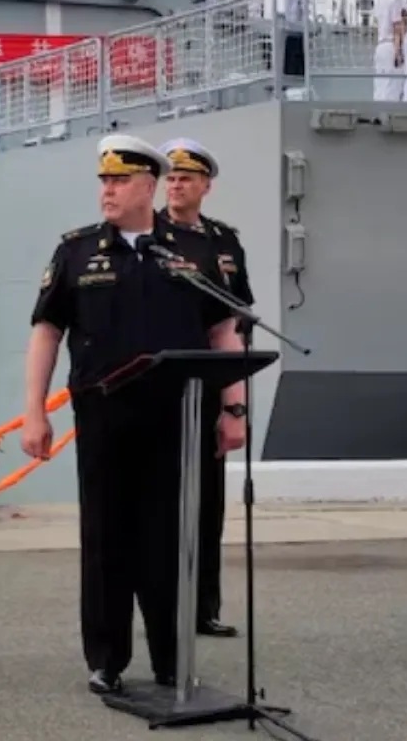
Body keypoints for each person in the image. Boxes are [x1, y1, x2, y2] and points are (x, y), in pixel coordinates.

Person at [22, 134, 248, 695]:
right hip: (105, 414)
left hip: (176, 415)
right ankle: (107, 659)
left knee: (171, 537)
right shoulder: (76, 251)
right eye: (103, 181)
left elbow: (224, 329)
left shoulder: (190, 251)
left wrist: (234, 409)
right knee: (106, 537)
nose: (108, 190)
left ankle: (172, 659)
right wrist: (34, 412)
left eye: (119, 181)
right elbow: (47, 330)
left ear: (148, 187)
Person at [159, 137, 253, 639]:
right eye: (170, 178)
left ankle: (203, 608)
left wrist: (234, 407)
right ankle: (162, 609)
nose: (176, 185)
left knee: (207, 504)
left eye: (186, 178)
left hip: (207, 390)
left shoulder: (224, 242)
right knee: (158, 507)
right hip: (158, 391)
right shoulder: (147, 237)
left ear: (205, 186)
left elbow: (235, 324)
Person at [374, 0, 407, 102]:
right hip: (391, 44)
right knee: (393, 85)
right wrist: (398, 51)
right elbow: (397, 26)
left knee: (380, 85)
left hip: (380, 45)